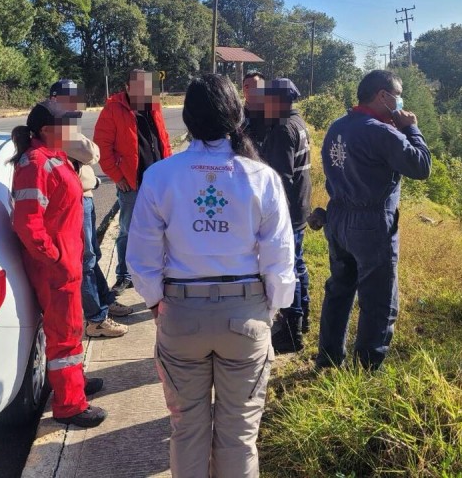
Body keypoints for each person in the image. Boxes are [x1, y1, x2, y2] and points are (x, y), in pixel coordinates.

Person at [127, 73, 295, 478]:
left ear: (188, 119)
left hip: (182, 314)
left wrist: (155, 302)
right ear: (237, 117)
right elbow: (279, 256)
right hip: (246, 315)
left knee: (186, 430)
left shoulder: (160, 176)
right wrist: (271, 307)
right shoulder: (261, 177)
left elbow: (142, 256)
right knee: (239, 435)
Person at [315, 70, 432, 371]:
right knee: (379, 300)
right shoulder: (382, 132)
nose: (400, 102)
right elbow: (421, 166)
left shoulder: (338, 126)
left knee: (339, 291)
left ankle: (328, 360)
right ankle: (367, 369)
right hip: (371, 223)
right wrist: (412, 129)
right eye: (398, 95)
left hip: (338, 217)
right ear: (383, 96)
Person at [10, 101, 107, 428]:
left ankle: (75, 382)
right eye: (67, 125)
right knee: (64, 333)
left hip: (65, 264)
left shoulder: (54, 156)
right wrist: (54, 258)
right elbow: (27, 223)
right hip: (55, 269)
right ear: (46, 130)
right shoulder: (36, 163)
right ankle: (69, 405)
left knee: (72, 328)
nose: (72, 131)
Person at [48, 79, 131, 338]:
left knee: (92, 253)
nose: (76, 105)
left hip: (84, 196)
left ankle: (104, 302)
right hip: (74, 201)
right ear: (55, 99)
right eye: (70, 99)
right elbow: (91, 153)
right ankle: (96, 319)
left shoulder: (64, 122)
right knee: (86, 260)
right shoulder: (57, 125)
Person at [93, 69, 172, 294]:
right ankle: (124, 275)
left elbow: (163, 139)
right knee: (128, 231)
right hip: (132, 183)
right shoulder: (113, 109)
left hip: (159, 182)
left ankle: (159, 271)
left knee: (162, 228)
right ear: (127, 87)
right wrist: (117, 177)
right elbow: (102, 146)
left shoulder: (154, 106)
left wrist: (170, 170)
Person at [259, 78, 313, 354]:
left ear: (276, 101)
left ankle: (292, 333)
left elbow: (280, 178)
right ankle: (303, 317)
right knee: (298, 263)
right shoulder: (298, 122)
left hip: (287, 211)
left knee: (287, 267)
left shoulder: (282, 129)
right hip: (300, 206)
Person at [241, 71, 268, 151]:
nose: (251, 91)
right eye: (247, 87)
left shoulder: (274, 116)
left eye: (255, 87)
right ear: (243, 90)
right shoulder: (237, 115)